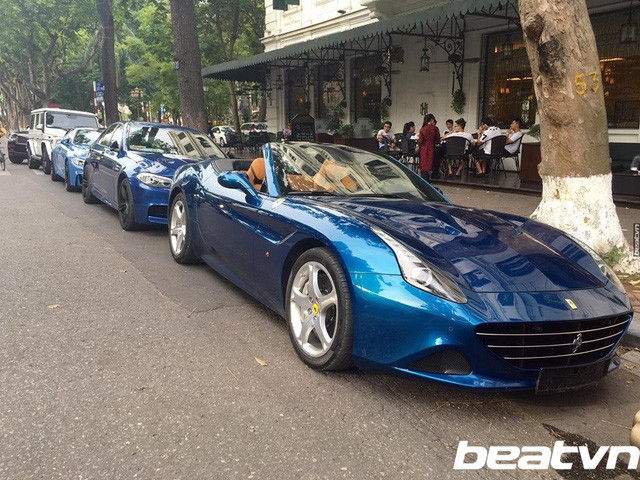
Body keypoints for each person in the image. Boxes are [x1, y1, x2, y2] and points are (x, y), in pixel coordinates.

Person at [417, 114, 440, 180]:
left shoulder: (422, 129)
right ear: (431, 120)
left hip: (424, 148)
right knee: (434, 162)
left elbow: (420, 140)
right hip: (432, 148)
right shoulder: (435, 128)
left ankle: (425, 180)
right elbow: (437, 140)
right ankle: (435, 174)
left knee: (424, 165)